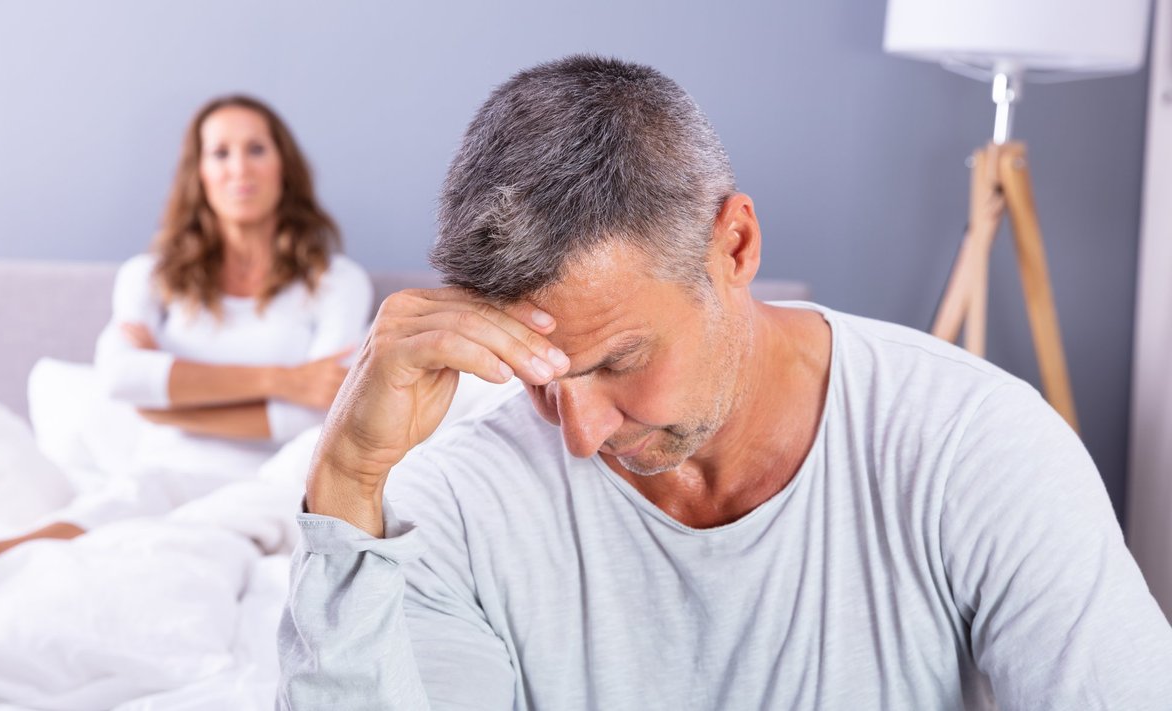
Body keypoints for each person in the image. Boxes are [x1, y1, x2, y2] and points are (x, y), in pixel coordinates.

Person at [277, 56, 1172, 710]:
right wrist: (349, 484)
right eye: (537, 373)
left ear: (735, 245)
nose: (580, 432)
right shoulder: (453, 503)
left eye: (618, 361)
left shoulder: (976, 446)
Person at [0, 94, 371, 568]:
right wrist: (284, 380)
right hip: (164, 473)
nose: (239, 167)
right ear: (198, 173)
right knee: (125, 502)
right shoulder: (151, 277)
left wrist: (166, 405)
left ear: (283, 165)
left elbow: (316, 417)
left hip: (270, 478)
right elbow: (122, 377)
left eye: (256, 149)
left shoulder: (336, 283)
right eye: (220, 153)